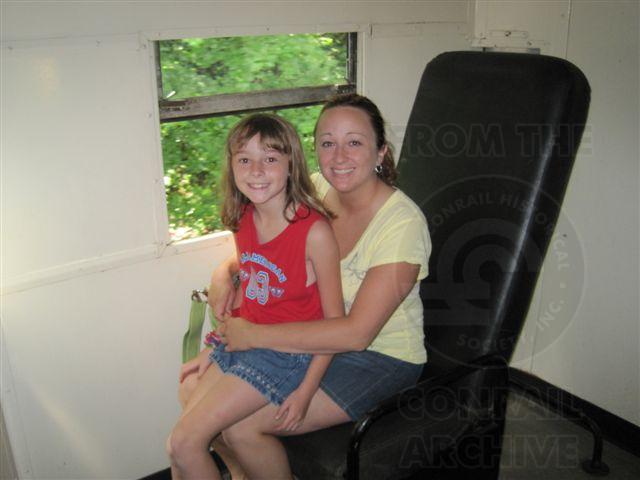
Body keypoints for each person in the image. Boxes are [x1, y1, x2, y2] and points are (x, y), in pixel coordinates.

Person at [209, 94, 432, 479]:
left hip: (379, 357)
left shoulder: (402, 225)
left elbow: (357, 334)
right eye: (328, 143)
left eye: (354, 142)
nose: (339, 156)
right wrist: (224, 272)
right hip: (312, 337)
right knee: (206, 403)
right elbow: (267, 247)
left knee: (241, 426)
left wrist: (254, 335)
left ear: (381, 151)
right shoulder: (314, 188)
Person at [166, 113, 344, 480]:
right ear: (231, 167)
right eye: (244, 159)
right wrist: (216, 345)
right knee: (177, 441)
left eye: (270, 158)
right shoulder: (244, 218)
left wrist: (306, 391)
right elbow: (253, 295)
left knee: (185, 443)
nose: (256, 171)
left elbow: (335, 325)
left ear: (292, 164)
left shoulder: (314, 232)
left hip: (287, 355)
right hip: (249, 341)